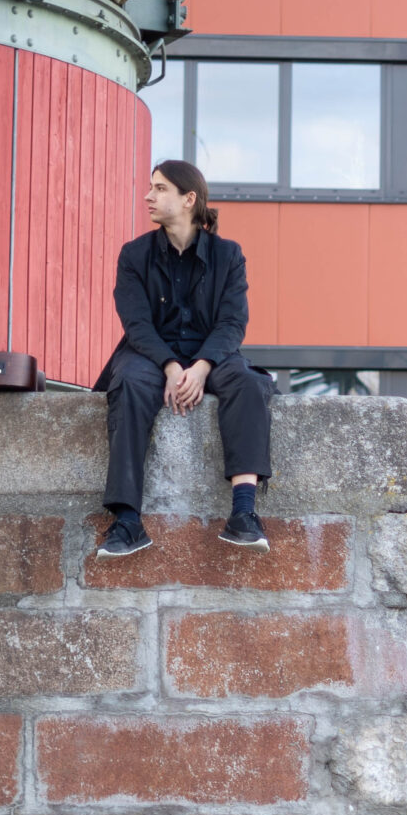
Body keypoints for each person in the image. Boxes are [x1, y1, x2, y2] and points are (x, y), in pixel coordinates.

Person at [94, 161, 274, 558]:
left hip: (212, 353)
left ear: (189, 199)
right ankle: (127, 521)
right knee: (129, 383)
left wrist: (203, 366)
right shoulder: (134, 255)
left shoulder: (228, 255)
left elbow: (232, 322)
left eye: (160, 189)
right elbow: (137, 324)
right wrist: (171, 366)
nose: (149, 196)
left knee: (249, 383)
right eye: (151, 187)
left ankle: (244, 514)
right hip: (150, 353)